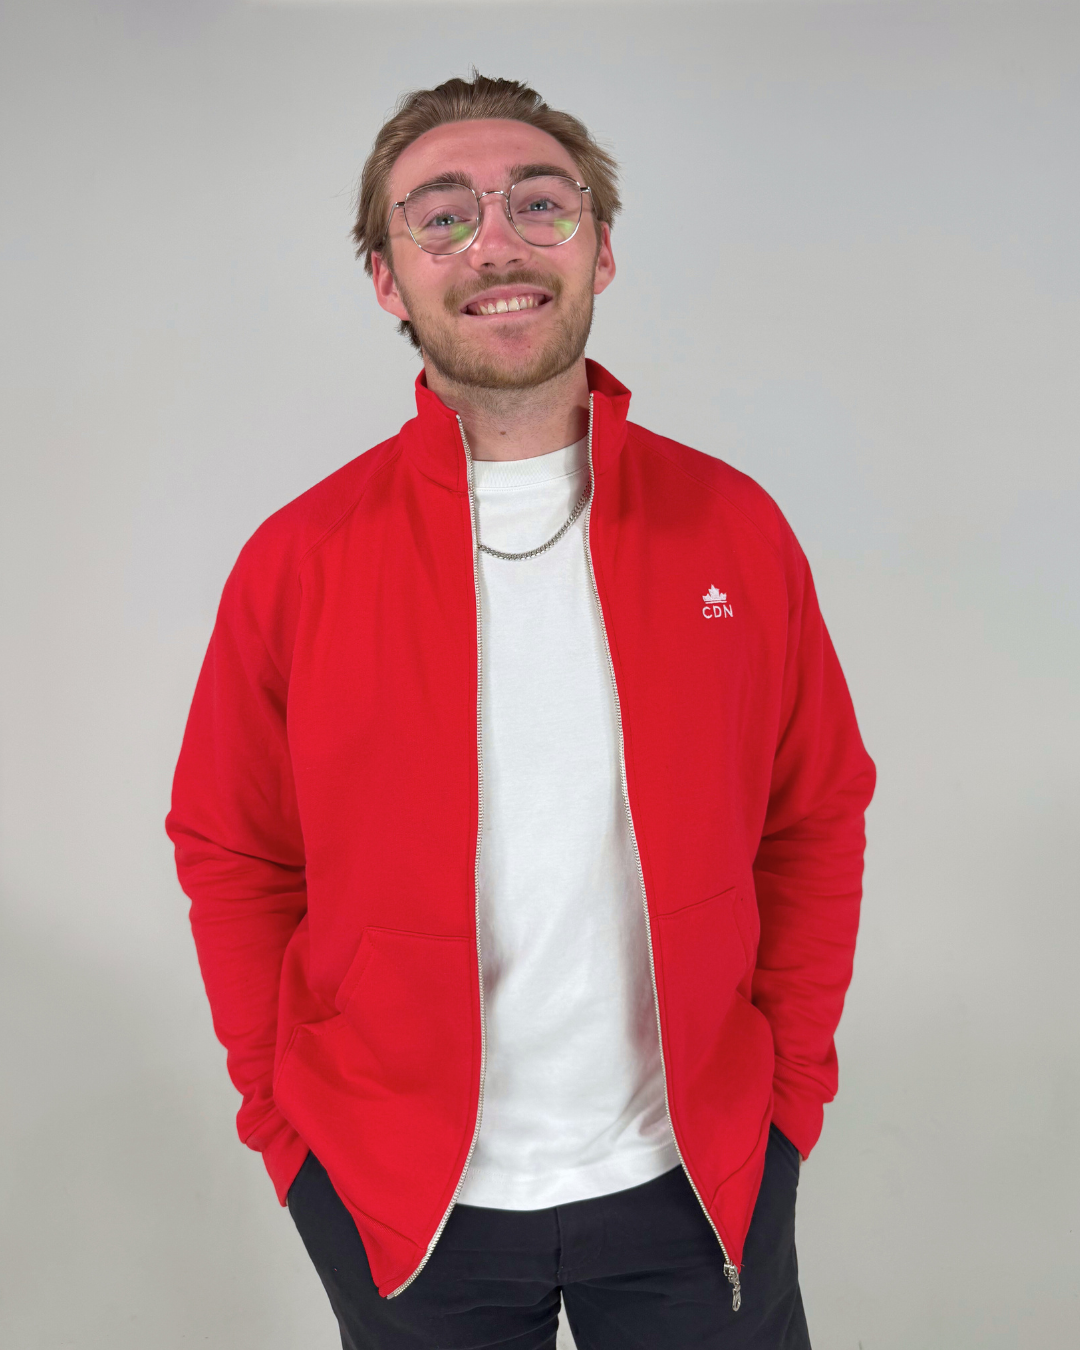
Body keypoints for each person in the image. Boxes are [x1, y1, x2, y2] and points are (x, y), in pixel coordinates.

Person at [166, 73, 875, 1350]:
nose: (495, 243)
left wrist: (787, 1103)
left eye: (540, 204)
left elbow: (815, 811)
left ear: (601, 246)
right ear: (388, 280)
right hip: (402, 1203)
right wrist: (287, 1132)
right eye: (441, 216)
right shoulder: (299, 562)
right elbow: (234, 851)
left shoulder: (734, 529)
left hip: (695, 1183)